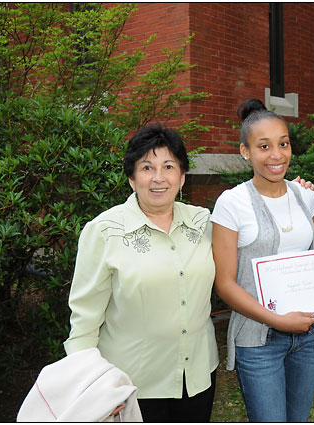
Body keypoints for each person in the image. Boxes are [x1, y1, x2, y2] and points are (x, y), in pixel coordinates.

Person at [64, 124, 219, 422]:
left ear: (182, 176)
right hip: (132, 384)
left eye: (169, 166)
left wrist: (294, 192)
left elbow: (253, 233)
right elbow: (84, 317)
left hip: (198, 375)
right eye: (147, 167)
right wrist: (91, 383)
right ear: (132, 179)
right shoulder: (104, 231)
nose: (159, 178)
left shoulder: (204, 222)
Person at [211, 98, 314, 422]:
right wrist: (278, 320)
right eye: (264, 146)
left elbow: (312, 261)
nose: (276, 155)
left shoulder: (305, 195)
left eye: (283, 144)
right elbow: (225, 283)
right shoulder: (231, 204)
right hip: (259, 340)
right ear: (246, 152)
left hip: (309, 336)